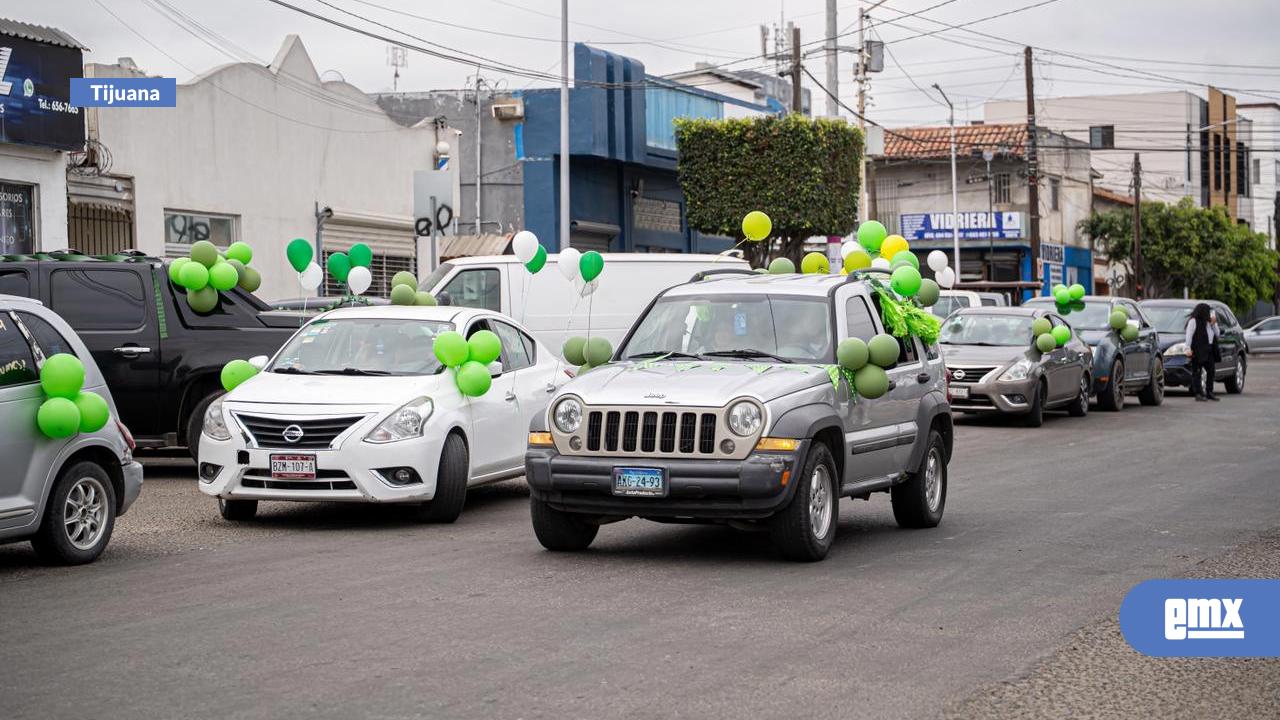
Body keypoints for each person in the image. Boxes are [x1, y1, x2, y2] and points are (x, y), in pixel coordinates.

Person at [1185, 302, 1218, 401]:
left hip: (1209, 349)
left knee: (1211, 371)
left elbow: (1217, 334)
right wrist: (1187, 348)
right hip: (1198, 349)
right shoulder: (1193, 321)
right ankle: (1198, 393)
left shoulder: (1209, 323)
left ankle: (1209, 391)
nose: (1209, 314)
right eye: (1208, 312)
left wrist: (1213, 324)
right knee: (1197, 371)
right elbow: (1189, 336)